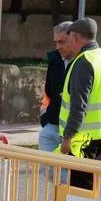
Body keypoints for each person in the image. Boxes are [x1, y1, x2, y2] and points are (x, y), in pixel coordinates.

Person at [58, 17, 101, 191]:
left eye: (69, 39)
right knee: (91, 187)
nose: (68, 43)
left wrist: (68, 137)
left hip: (82, 139)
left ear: (76, 37)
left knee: (80, 190)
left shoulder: (84, 61)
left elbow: (79, 105)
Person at [39, 22, 73, 155]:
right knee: (49, 173)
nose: (58, 46)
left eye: (62, 42)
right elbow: (49, 92)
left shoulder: (83, 63)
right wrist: (45, 120)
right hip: (51, 125)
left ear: (74, 39)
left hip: (72, 131)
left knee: (66, 174)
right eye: (56, 42)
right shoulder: (55, 61)